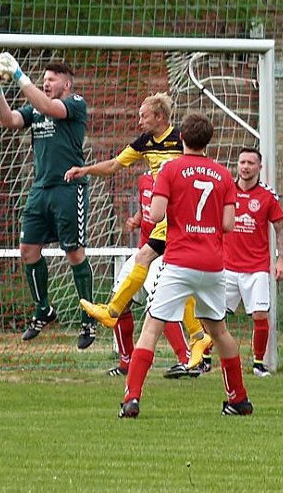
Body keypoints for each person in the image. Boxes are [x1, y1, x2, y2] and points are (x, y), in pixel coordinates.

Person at [64, 92, 212, 372]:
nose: (139, 120)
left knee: (170, 274)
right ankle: (193, 336)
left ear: (159, 117)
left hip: (181, 218)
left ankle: (194, 337)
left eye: (144, 115)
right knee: (160, 268)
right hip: (167, 219)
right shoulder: (144, 142)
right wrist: (85, 170)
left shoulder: (181, 139)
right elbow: (114, 165)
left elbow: (200, 170)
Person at [118, 112, 252, 418]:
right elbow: (228, 224)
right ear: (209, 140)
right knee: (219, 332)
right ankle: (238, 399)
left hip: (179, 261)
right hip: (213, 264)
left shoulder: (170, 169)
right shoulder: (223, 174)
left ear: (181, 138)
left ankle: (132, 398)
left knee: (152, 328)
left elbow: (155, 214)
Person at [0, 53, 97, 349]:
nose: (46, 84)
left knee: (74, 253)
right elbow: (9, 120)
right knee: (27, 250)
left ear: (66, 84)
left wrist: (19, 75)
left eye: (51, 80)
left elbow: (48, 107)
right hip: (40, 189)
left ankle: (88, 319)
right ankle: (43, 308)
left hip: (68, 188)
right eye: (43, 80)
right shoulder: (35, 110)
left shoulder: (75, 104)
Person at [108, 171, 195, 379]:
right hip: (143, 253)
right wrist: (136, 220)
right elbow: (144, 209)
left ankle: (186, 360)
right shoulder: (144, 180)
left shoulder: (176, 181)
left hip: (165, 252)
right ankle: (126, 361)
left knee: (161, 306)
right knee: (119, 301)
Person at [223, 147, 283, 378]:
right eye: (242, 162)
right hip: (226, 265)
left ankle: (258, 363)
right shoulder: (226, 190)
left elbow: (280, 228)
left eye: (251, 163)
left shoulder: (267, 195)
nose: (245, 167)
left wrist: (281, 260)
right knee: (212, 314)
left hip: (257, 267)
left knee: (260, 315)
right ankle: (206, 359)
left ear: (259, 167)